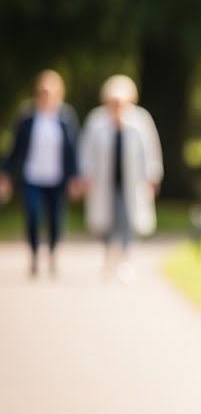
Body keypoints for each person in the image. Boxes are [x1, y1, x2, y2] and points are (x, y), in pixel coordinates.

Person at [78, 74, 163, 276]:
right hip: (104, 183)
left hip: (131, 183)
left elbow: (151, 151)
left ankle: (125, 258)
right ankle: (108, 255)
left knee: (127, 219)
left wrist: (152, 178)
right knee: (106, 220)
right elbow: (86, 151)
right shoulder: (96, 120)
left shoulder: (140, 120)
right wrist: (85, 176)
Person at [0, 70, 81, 277]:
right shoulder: (27, 117)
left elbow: (73, 150)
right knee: (33, 216)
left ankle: (53, 251)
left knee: (55, 219)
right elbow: (15, 149)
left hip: (57, 178)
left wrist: (75, 178)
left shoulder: (65, 117)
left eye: (50, 91)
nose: (46, 95)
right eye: (43, 91)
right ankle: (35, 253)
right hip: (32, 177)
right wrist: (6, 175)